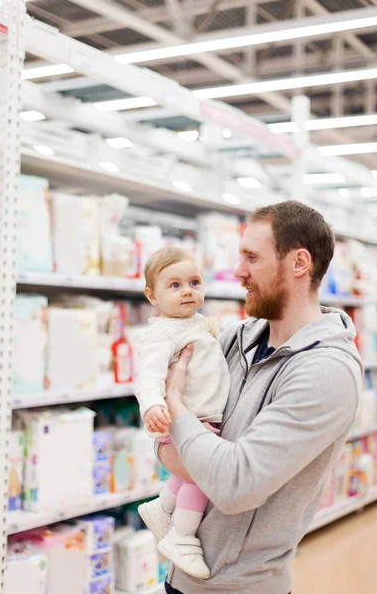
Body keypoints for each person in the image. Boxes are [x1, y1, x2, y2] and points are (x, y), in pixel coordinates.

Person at [156, 201, 363, 594]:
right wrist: (192, 450)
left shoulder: (327, 371)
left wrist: (175, 402)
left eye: (252, 257)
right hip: (180, 577)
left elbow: (235, 486)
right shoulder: (237, 339)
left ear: (299, 263)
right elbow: (161, 442)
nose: (238, 271)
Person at [135, 246, 231, 579]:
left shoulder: (198, 323)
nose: (187, 290)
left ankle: (162, 507)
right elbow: (148, 373)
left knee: (192, 471)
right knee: (202, 475)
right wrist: (152, 404)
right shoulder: (162, 332)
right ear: (152, 296)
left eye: (194, 281)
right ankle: (182, 535)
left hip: (201, 416)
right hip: (184, 419)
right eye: (174, 285)